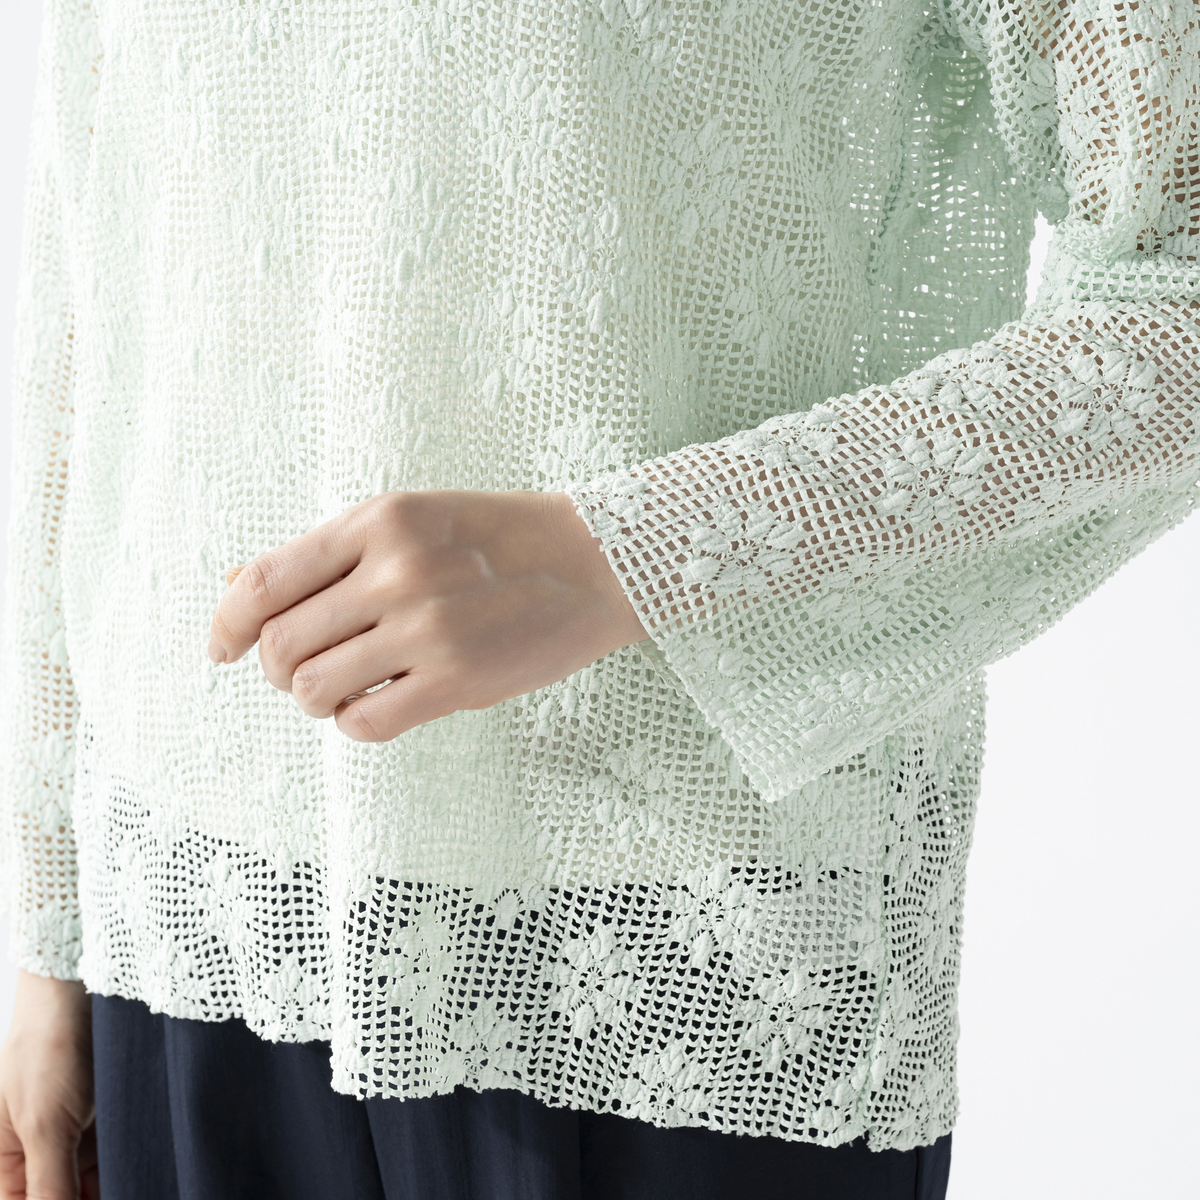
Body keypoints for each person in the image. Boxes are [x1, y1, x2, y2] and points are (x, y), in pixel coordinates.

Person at [0, 0, 1196, 1196]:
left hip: (676, 943)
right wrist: (52, 926)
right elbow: (86, 261)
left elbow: (1176, 297)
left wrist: (629, 554)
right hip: (188, 916)